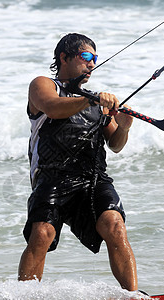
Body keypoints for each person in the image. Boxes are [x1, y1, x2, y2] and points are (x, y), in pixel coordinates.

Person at [18, 33, 138, 291]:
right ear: (64, 57)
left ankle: (133, 296)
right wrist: (90, 99)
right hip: (51, 177)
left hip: (92, 179)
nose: (92, 64)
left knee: (114, 225)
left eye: (95, 58)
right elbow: (52, 108)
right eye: (86, 57)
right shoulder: (43, 85)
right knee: (41, 234)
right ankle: (24, 296)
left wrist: (124, 127)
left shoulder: (98, 103)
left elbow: (115, 145)